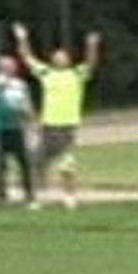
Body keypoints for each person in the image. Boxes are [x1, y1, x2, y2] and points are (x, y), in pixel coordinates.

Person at [13, 21, 103, 210]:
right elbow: (27, 57)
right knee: (36, 161)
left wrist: (92, 45)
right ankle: (35, 198)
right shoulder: (46, 73)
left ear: (68, 60)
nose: (60, 59)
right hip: (49, 125)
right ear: (53, 60)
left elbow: (92, 63)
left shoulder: (77, 74)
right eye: (57, 57)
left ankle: (69, 197)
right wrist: (22, 37)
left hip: (68, 125)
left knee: (67, 163)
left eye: (63, 57)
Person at [0, 55, 37, 208]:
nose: (7, 69)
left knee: (24, 163)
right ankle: (0, 195)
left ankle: (29, 195)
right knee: (0, 164)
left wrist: (30, 118)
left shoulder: (20, 85)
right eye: (3, 66)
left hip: (17, 128)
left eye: (10, 66)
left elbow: (27, 105)